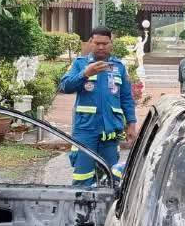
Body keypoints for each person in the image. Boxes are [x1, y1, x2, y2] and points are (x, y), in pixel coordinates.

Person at [58, 27, 137, 186]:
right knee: (83, 178)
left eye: (105, 43)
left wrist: (131, 124)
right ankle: (81, 201)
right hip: (85, 131)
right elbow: (64, 86)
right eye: (97, 43)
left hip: (111, 132)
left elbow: (126, 98)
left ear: (111, 44)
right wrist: (85, 74)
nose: (101, 47)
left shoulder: (119, 67)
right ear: (90, 43)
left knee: (110, 179)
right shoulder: (80, 64)